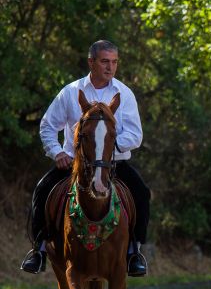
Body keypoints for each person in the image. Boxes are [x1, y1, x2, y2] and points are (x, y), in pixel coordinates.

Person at [20, 40, 151, 276]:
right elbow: (48, 126)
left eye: (114, 62)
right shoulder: (70, 92)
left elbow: (135, 134)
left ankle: (134, 251)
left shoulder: (125, 94)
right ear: (91, 62)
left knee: (141, 193)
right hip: (74, 165)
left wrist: (108, 149)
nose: (110, 67)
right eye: (104, 61)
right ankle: (38, 250)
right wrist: (57, 152)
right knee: (41, 190)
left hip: (114, 163)